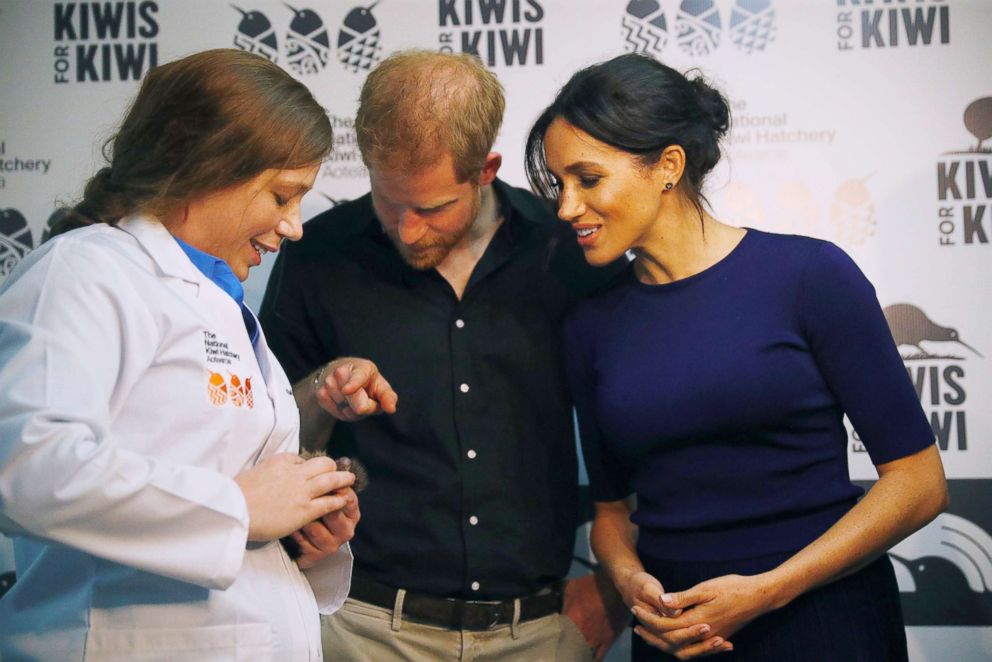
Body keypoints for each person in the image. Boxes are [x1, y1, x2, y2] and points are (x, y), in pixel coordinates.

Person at [524, 53, 949, 661]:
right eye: (559, 185)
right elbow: (613, 514)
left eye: (587, 180)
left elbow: (919, 484)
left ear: (667, 166)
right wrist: (627, 582)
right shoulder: (591, 324)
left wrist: (770, 590)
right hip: (675, 639)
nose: (566, 208)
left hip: (825, 626)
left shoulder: (808, 276)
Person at [260, 49, 628, 661]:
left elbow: (639, 425)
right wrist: (323, 386)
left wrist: (614, 588)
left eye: (431, 208)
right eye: (389, 201)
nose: (407, 230)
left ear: (486, 169)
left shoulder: (567, 252)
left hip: (539, 630)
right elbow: (266, 435)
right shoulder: (317, 256)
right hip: (363, 628)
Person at [0, 49, 359, 661]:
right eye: (281, 196)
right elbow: (28, 470)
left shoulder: (220, 301)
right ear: (206, 170)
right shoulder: (85, 272)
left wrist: (299, 528)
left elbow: (219, 495)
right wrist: (241, 509)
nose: (294, 225)